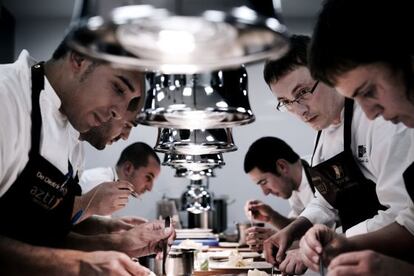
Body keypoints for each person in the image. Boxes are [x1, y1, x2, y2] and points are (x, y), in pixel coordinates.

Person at [0, 34, 170, 275]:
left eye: (129, 102)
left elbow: (48, 236)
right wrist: (78, 265)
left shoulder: (73, 136)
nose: (118, 114)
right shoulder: (6, 97)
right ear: (79, 58)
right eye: (118, 87)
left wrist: (119, 243)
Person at [261, 34, 414, 274]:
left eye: (302, 93)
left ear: (328, 76)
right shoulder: (322, 133)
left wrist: (336, 242)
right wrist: (292, 230)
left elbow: (403, 215)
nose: (299, 110)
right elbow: (326, 202)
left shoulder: (383, 120)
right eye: (286, 102)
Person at [298, 0, 414, 274]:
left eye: (370, 91)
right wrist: (343, 244)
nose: (371, 114)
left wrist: (399, 271)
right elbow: (411, 225)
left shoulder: (395, 132)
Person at [243, 136, 316, 252]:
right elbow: (301, 227)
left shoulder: (321, 174)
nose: (265, 192)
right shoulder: (293, 184)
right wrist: (271, 217)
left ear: (282, 166)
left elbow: (327, 235)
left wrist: (277, 240)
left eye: (264, 182)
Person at [75, 142, 161, 220]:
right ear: (128, 168)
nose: (150, 188)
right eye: (148, 178)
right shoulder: (97, 183)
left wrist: (117, 224)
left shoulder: (113, 185)